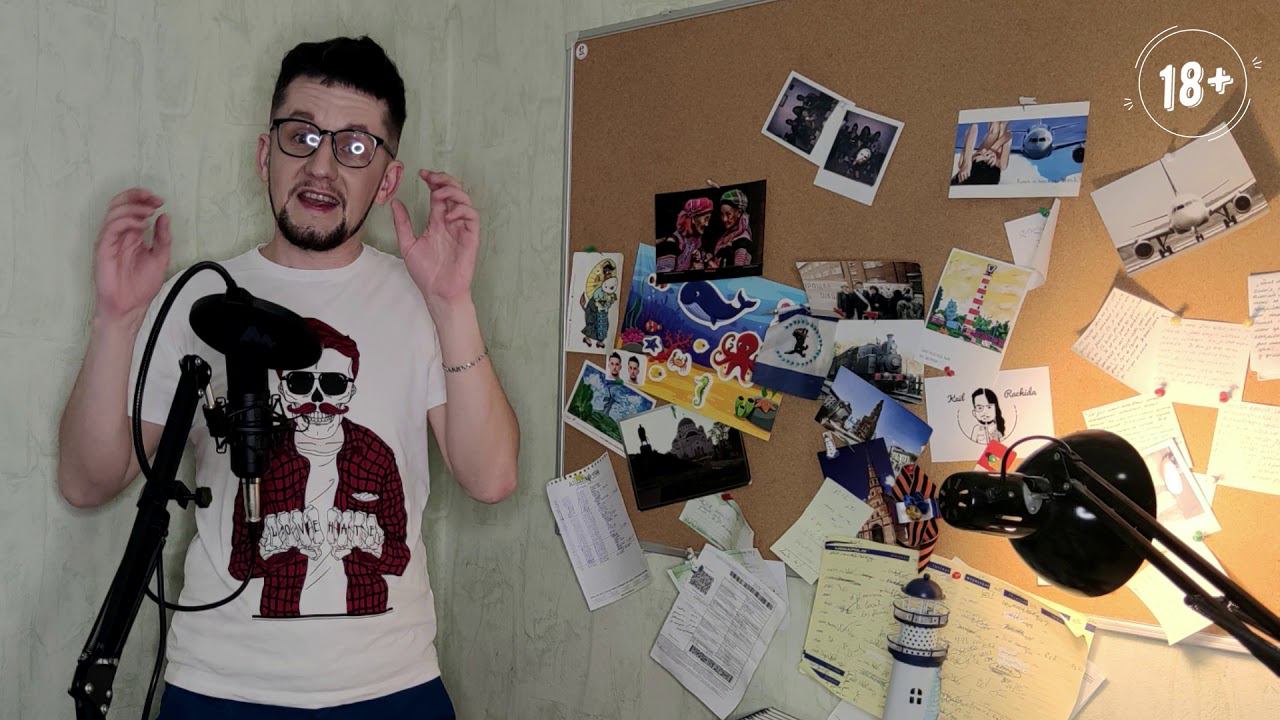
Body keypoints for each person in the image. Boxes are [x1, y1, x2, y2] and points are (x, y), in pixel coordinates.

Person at [55, 36, 519, 719]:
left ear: (387, 179)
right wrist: (117, 318)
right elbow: (87, 481)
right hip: (219, 685)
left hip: (391, 684)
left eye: (354, 146)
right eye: (300, 136)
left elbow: (490, 478)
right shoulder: (199, 298)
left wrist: (453, 302)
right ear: (264, 153)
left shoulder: (421, 298)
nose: (321, 166)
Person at [655, 197, 712, 274]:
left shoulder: (696, 240)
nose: (707, 224)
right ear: (693, 218)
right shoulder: (672, 242)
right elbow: (664, 276)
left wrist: (701, 257)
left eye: (708, 219)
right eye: (705, 219)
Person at [951, 120, 1011, 185]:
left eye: (978, 154)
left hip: (992, 129)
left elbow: (974, 126)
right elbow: (1009, 135)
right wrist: (994, 148)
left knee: (994, 130)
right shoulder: (1001, 164)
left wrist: (967, 160)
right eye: (986, 155)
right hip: (1000, 130)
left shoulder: (964, 166)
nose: (983, 150)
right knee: (998, 129)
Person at [708, 189, 753, 269]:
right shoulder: (729, 234)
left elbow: (738, 273)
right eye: (722, 215)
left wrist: (713, 266)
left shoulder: (742, 241)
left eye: (728, 214)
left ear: (739, 213)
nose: (724, 219)